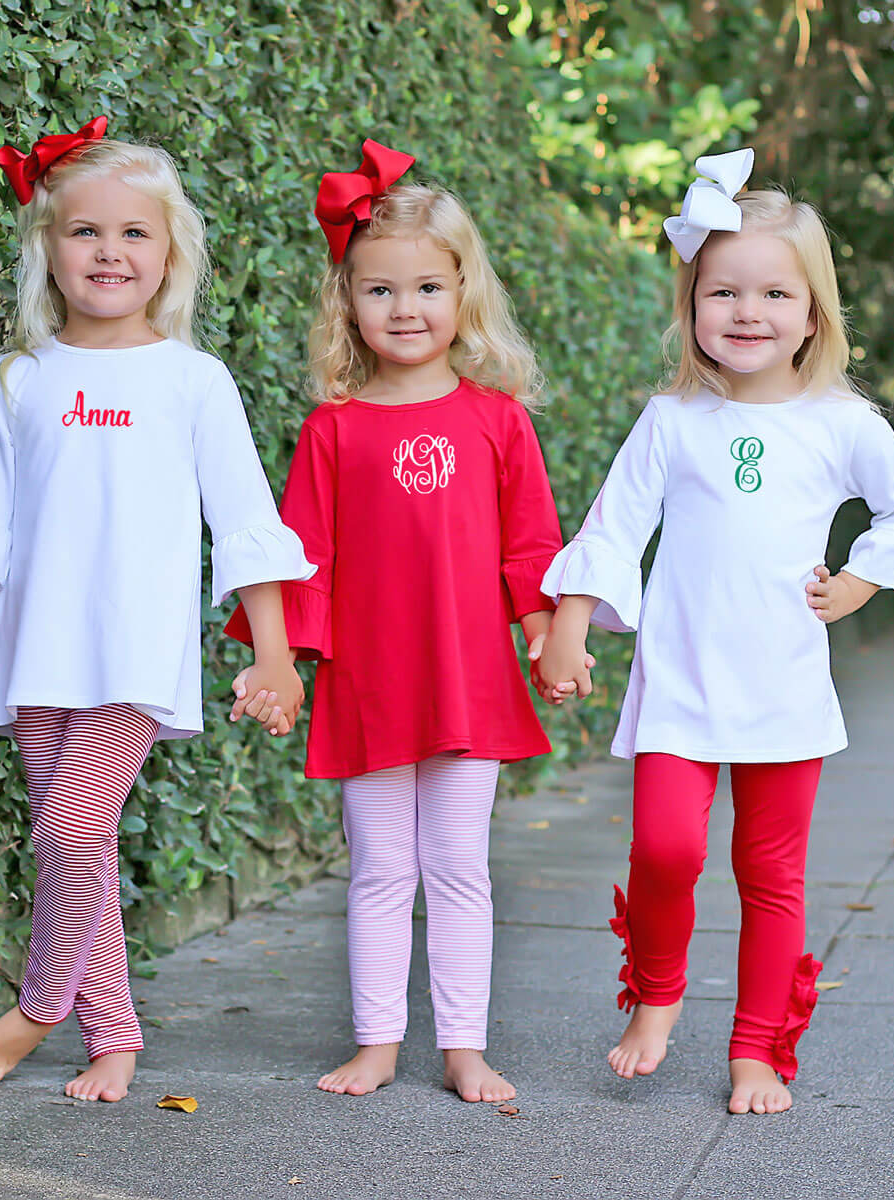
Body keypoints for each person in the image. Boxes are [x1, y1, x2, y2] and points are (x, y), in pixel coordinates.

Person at [0, 117, 314, 1103]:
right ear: (48, 245)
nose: (110, 252)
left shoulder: (194, 381)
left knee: (67, 830)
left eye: (135, 234)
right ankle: (114, 1034)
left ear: (171, 254)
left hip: (134, 652)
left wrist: (278, 655)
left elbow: (247, 525)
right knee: (75, 839)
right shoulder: (19, 379)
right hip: (35, 650)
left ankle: (38, 1009)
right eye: (86, 232)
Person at [536, 148, 894, 1114]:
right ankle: (655, 993)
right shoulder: (672, 420)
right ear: (693, 305)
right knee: (666, 851)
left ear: (813, 313)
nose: (749, 311)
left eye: (774, 293)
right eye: (724, 292)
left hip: (784, 688)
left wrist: (858, 583)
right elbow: (613, 527)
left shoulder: (843, 422)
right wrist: (568, 627)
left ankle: (758, 1050)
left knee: (771, 877)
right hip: (681, 680)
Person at [227, 140, 582, 1103]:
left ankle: (463, 1046)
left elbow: (529, 545)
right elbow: (306, 560)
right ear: (348, 302)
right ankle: (378, 1041)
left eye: (427, 287)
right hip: (370, 682)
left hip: (467, 674)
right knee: (382, 867)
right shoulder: (333, 428)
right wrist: (282, 664)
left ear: (462, 291)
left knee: (460, 864)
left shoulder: (497, 420)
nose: (405, 309)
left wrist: (547, 632)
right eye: (379, 291)